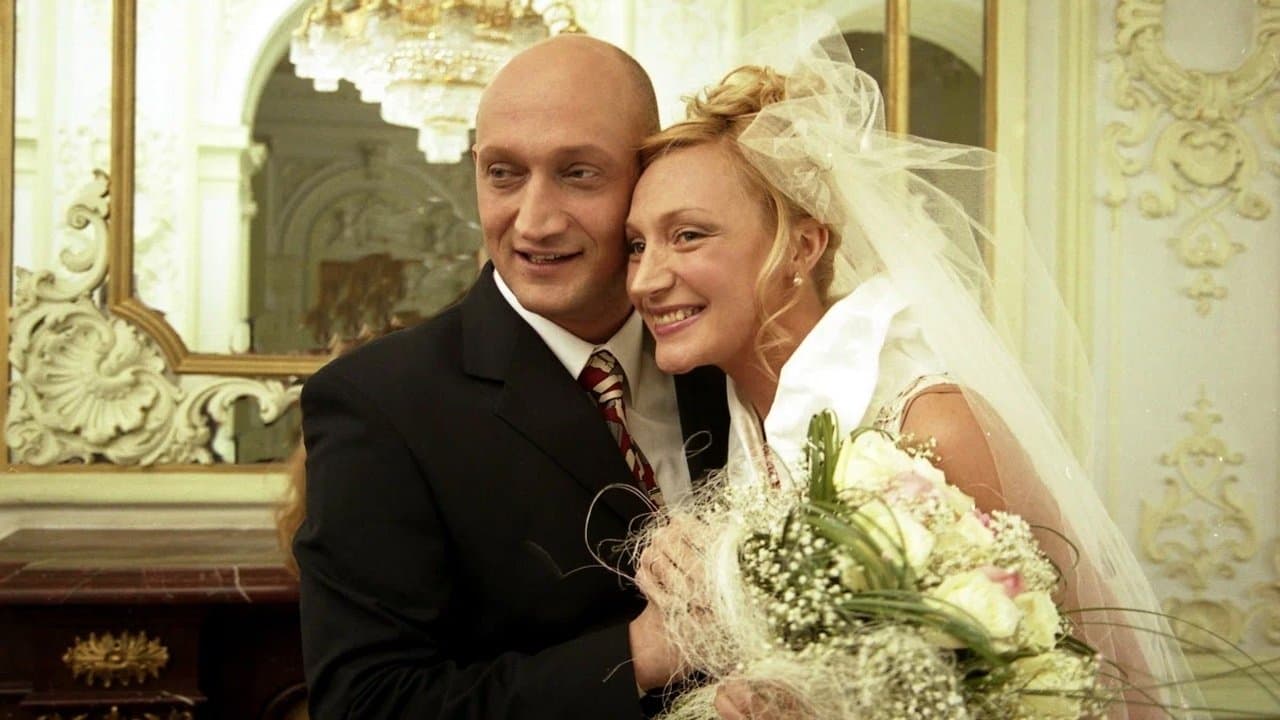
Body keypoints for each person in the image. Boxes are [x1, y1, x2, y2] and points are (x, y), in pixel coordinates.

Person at [623, 13, 1201, 720]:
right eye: (636, 245)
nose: (645, 279)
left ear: (803, 247)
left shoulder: (932, 423)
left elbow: (1100, 684)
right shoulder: (725, 430)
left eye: (688, 236)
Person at [293, 34, 729, 719]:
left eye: (578, 173)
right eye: (503, 173)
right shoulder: (378, 402)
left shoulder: (726, 358)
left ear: (647, 175)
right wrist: (637, 654)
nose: (533, 221)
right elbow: (367, 705)